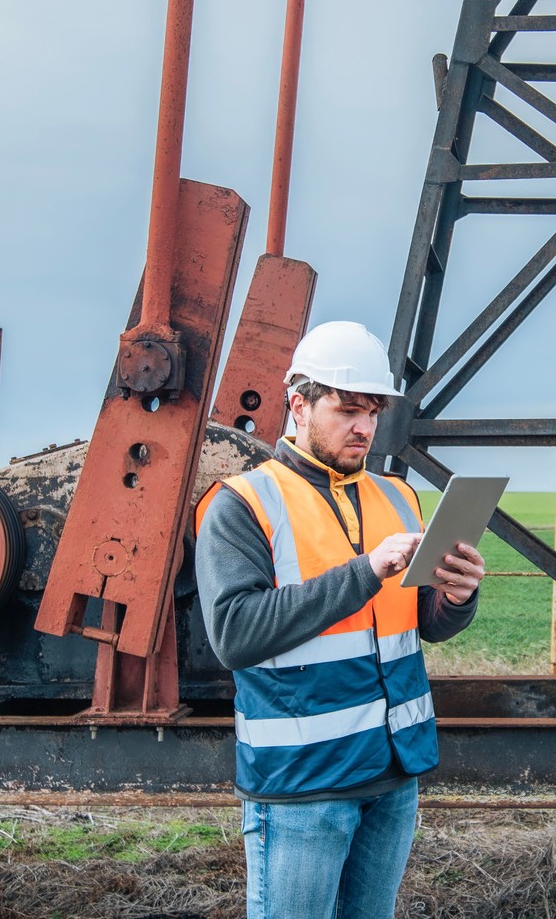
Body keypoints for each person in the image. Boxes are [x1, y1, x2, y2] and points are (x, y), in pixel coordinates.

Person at [194, 320, 485, 919]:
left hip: (394, 772)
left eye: (373, 412)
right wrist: (367, 569)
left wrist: (455, 598)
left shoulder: (398, 497)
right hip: (304, 784)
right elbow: (235, 633)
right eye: (347, 409)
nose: (365, 427)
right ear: (298, 405)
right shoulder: (241, 503)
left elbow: (418, 626)